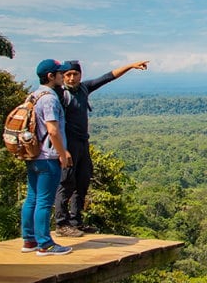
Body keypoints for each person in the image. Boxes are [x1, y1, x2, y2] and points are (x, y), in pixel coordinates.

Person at [54, 59, 149, 236]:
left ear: (80, 75)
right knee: (66, 183)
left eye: (75, 74)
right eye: (68, 75)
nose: (72, 78)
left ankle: (76, 221)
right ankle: (61, 223)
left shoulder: (84, 88)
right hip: (68, 144)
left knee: (82, 181)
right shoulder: (59, 94)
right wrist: (61, 149)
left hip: (83, 143)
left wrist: (130, 66)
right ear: (62, 76)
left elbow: (108, 77)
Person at [21, 59, 75, 256]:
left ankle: (29, 240)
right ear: (51, 76)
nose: (63, 76)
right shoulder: (50, 98)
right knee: (44, 201)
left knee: (32, 198)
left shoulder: (33, 96)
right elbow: (53, 130)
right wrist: (62, 154)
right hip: (47, 156)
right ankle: (45, 244)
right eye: (60, 73)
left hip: (33, 155)